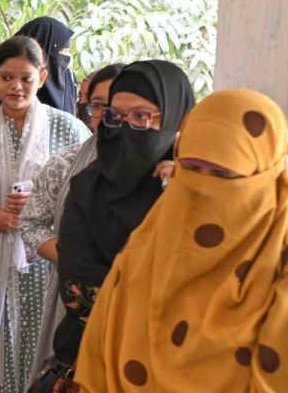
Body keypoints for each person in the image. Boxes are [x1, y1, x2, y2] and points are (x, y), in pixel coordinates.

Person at [76, 89, 288, 391]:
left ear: (264, 175)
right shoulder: (157, 231)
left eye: (223, 175)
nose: (203, 187)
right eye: (192, 169)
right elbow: (104, 337)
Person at [0, 36, 91, 392]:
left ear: (42, 77)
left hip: (42, 259)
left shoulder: (68, 129)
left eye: (25, 78)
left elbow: (87, 196)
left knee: (39, 343)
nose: (15, 87)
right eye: (6, 77)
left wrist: (44, 209)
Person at [52, 60, 195, 369]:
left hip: (186, 367)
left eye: (141, 116)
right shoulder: (88, 188)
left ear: (177, 118)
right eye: (115, 116)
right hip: (96, 359)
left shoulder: (198, 190)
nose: (125, 128)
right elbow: (80, 293)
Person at [16, 63, 124, 384]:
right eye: (98, 105)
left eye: (118, 105)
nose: (107, 115)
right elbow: (31, 222)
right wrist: (75, 261)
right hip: (70, 299)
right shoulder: (66, 164)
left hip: (132, 308)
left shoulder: (162, 175)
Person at [15, 17, 78, 115]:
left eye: (66, 52)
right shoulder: (13, 84)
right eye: (61, 51)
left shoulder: (69, 79)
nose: (65, 58)